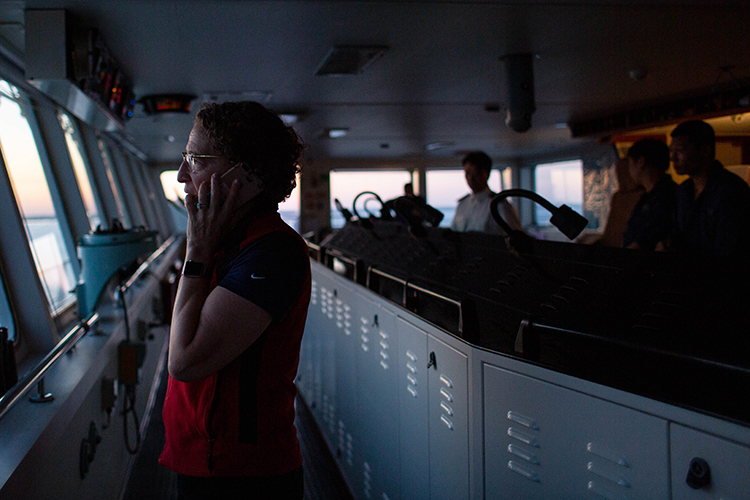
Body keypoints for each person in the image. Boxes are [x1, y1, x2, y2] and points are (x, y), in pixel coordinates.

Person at [159, 101, 310, 500]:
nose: (181, 175)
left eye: (196, 159)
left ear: (243, 175)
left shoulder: (272, 254)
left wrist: (196, 255)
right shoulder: (227, 243)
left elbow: (184, 360)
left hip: (243, 474)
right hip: (202, 460)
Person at [662, 120, 750, 258]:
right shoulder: (683, 191)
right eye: (671, 151)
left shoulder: (731, 191)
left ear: (704, 151)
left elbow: (732, 250)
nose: (673, 158)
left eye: (679, 150)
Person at [622, 138, 676, 250]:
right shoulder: (647, 197)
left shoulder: (666, 196)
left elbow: (648, 238)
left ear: (641, 162)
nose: (629, 169)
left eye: (630, 163)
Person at [450, 151, 522, 234]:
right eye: (468, 173)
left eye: (475, 173)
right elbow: (453, 232)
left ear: (486, 173)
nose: (471, 178)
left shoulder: (499, 205)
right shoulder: (462, 204)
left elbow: (515, 238)